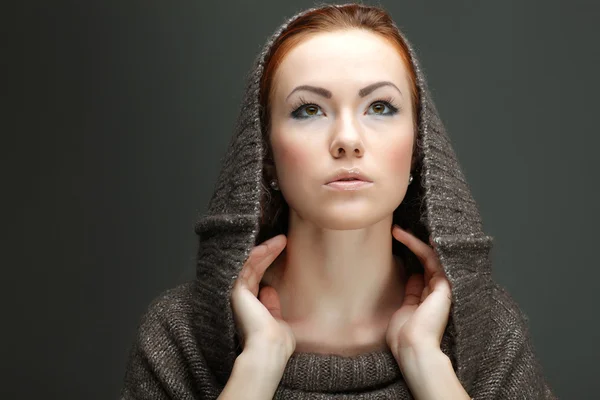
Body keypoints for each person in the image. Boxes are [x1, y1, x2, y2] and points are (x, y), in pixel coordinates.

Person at [121, 3, 556, 399]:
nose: (347, 140)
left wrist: (428, 364)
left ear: (420, 145)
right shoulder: (182, 334)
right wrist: (256, 368)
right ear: (264, 154)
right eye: (309, 109)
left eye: (381, 107)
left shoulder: (485, 330)